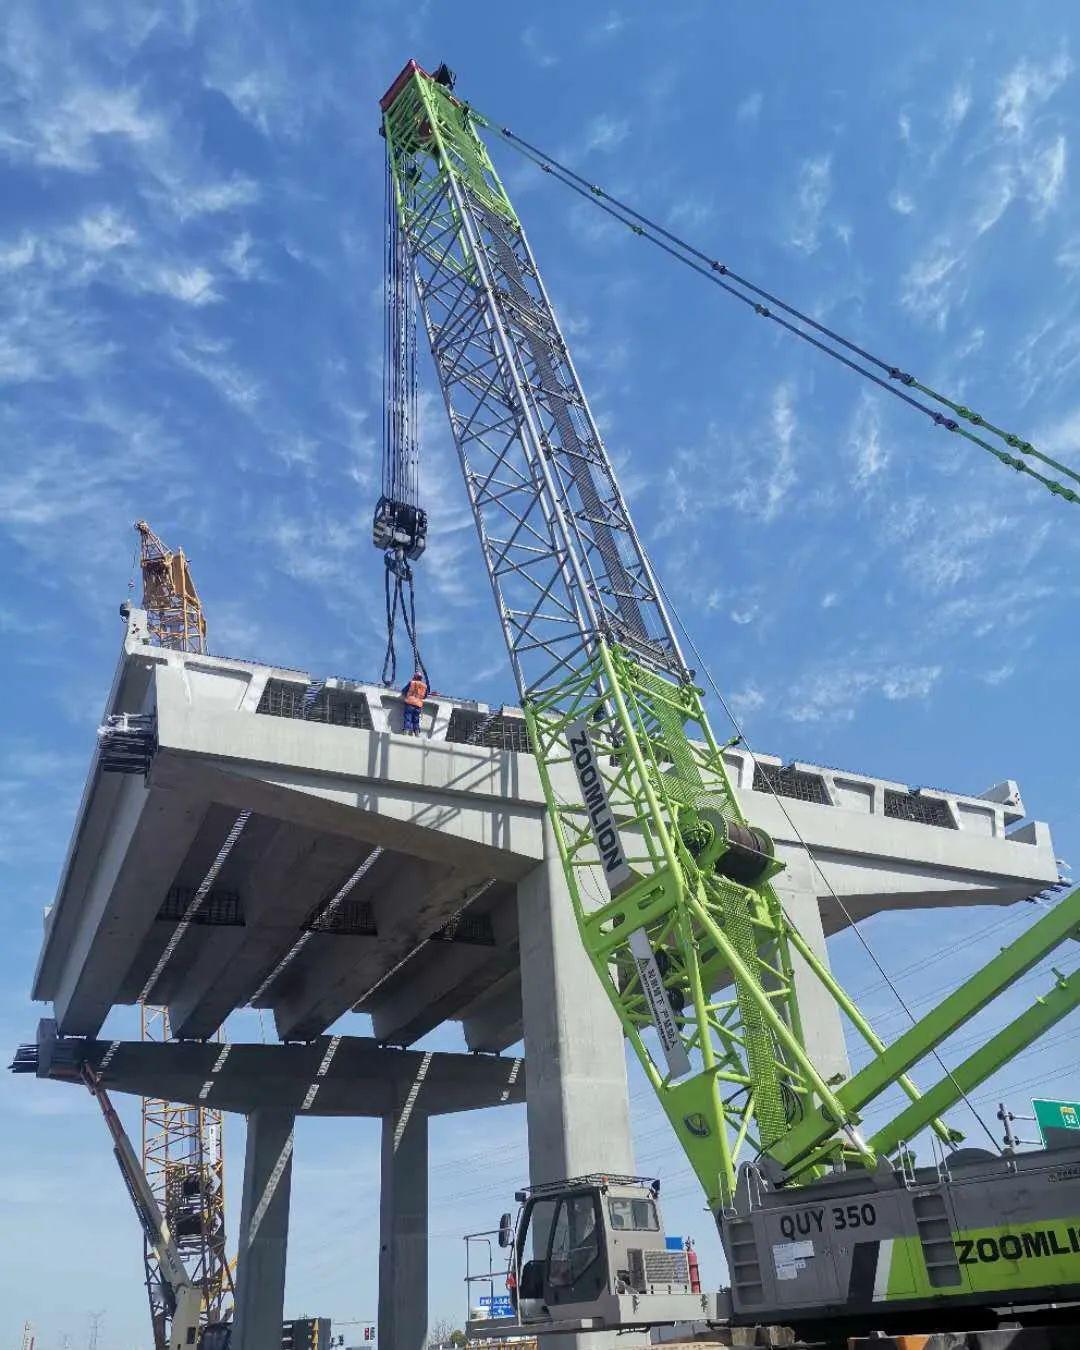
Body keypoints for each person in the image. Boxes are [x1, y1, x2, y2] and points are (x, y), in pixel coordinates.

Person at [401, 669, 427, 735]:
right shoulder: (424, 686)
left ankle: (406, 731)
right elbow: (425, 696)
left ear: (414, 677)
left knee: (408, 718)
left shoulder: (412, 683)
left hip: (410, 703)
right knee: (416, 720)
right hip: (418, 705)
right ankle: (417, 733)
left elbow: (404, 691)